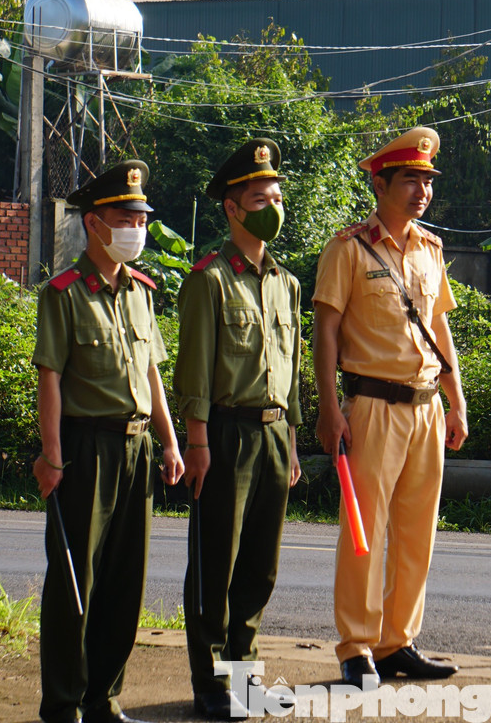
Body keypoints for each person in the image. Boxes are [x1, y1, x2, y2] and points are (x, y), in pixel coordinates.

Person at [311, 126, 469, 689]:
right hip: (372, 406)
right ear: (380, 183)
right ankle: (356, 646)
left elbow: (440, 328)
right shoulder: (348, 248)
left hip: (427, 406)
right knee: (365, 532)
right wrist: (330, 408)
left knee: (416, 531)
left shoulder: (431, 250)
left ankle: (397, 641)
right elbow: (325, 332)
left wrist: (457, 400)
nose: (421, 190)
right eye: (410, 179)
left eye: (427, 180)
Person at [31, 161, 185, 723]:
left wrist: (169, 443)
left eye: (142, 218)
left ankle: (104, 697)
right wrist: (51, 456)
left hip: (138, 448)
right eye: (127, 218)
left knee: (126, 579)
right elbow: (50, 376)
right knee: (76, 581)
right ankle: (63, 704)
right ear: (96, 224)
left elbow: (152, 376)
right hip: (85, 447)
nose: (138, 229)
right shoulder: (65, 294)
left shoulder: (140, 293)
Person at [173, 139, 303, 720]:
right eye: (259, 197)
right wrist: (195, 442)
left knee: (259, 567)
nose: (271, 205)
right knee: (215, 565)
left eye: (276, 195)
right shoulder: (209, 280)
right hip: (225, 436)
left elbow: (292, 373)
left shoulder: (287, 283)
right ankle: (210, 683)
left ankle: (244, 680)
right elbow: (194, 373)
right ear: (232, 207)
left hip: (274, 436)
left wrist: (293, 442)